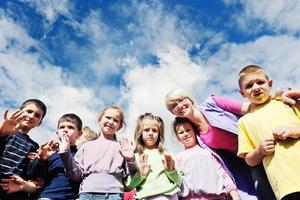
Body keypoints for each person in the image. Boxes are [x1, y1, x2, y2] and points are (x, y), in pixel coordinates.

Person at [165, 90, 265, 200]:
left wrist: (276, 97)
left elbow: (249, 108)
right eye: (174, 105)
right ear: (173, 113)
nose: (179, 105)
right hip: (240, 165)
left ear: (189, 99)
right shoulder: (195, 136)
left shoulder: (213, 103)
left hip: (258, 147)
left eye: (181, 100)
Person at [237, 65, 300, 200]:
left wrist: (295, 131)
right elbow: (249, 159)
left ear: (270, 84)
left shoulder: (286, 102)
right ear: (242, 93)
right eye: (249, 86)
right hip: (286, 186)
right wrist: (259, 151)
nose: (255, 87)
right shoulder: (244, 122)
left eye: (260, 82)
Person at [59, 106, 137, 200]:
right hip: (87, 194)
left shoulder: (123, 147)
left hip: (114, 195)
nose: (111, 121)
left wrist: (131, 159)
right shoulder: (86, 146)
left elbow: (130, 174)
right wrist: (65, 153)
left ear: (119, 127)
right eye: (108, 117)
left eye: (116, 120)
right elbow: (76, 175)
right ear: (100, 120)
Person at [173, 117, 239, 200]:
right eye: (181, 132)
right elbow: (176, 183)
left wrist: (235, 195)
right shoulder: (177, 158)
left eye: (188, 130)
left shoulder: (208, 152)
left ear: (194, 131)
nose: (185, 134)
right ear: (177, 138)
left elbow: (223, 174)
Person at [125, 113, 182, 200]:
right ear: (140, 132)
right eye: (147, 130)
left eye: (154, 130)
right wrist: (141, 175)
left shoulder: (167, 154)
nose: (151, 133)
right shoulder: (134, 157)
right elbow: (128, 186)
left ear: (159, 133)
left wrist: (171, 171)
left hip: (169, 197)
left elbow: (180, 181)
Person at [0, 99, 47, 200]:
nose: (31, 116)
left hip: (13, 192)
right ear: (19, 112)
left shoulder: (34, 146)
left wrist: (39, 160)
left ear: (39, 123)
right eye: (29, 111)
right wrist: (2, 132)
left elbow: (30, 173)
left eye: (37, 115)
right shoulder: (4, 131)